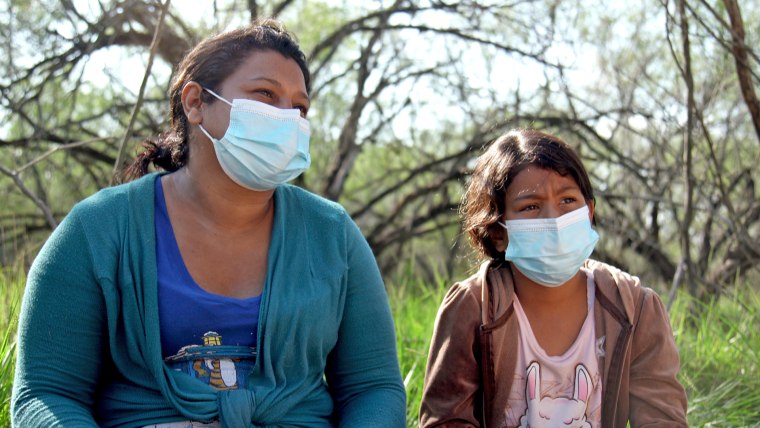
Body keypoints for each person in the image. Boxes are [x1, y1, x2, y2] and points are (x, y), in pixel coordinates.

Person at [12, 19, 406, 428]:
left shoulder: (334, 235)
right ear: (196, 102)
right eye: (265, 94)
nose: (288, 119)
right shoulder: (97, 231)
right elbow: (46, 393)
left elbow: (373, 388)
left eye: (300, 107)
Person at [419, 129, 687, 427]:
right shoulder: (472, 308)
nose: (555, 220)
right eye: (530, 207)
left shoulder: (635, 308)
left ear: (589, 212)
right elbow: (447, 420)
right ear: (498, 232)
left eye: (568, 200)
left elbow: (662, 418)